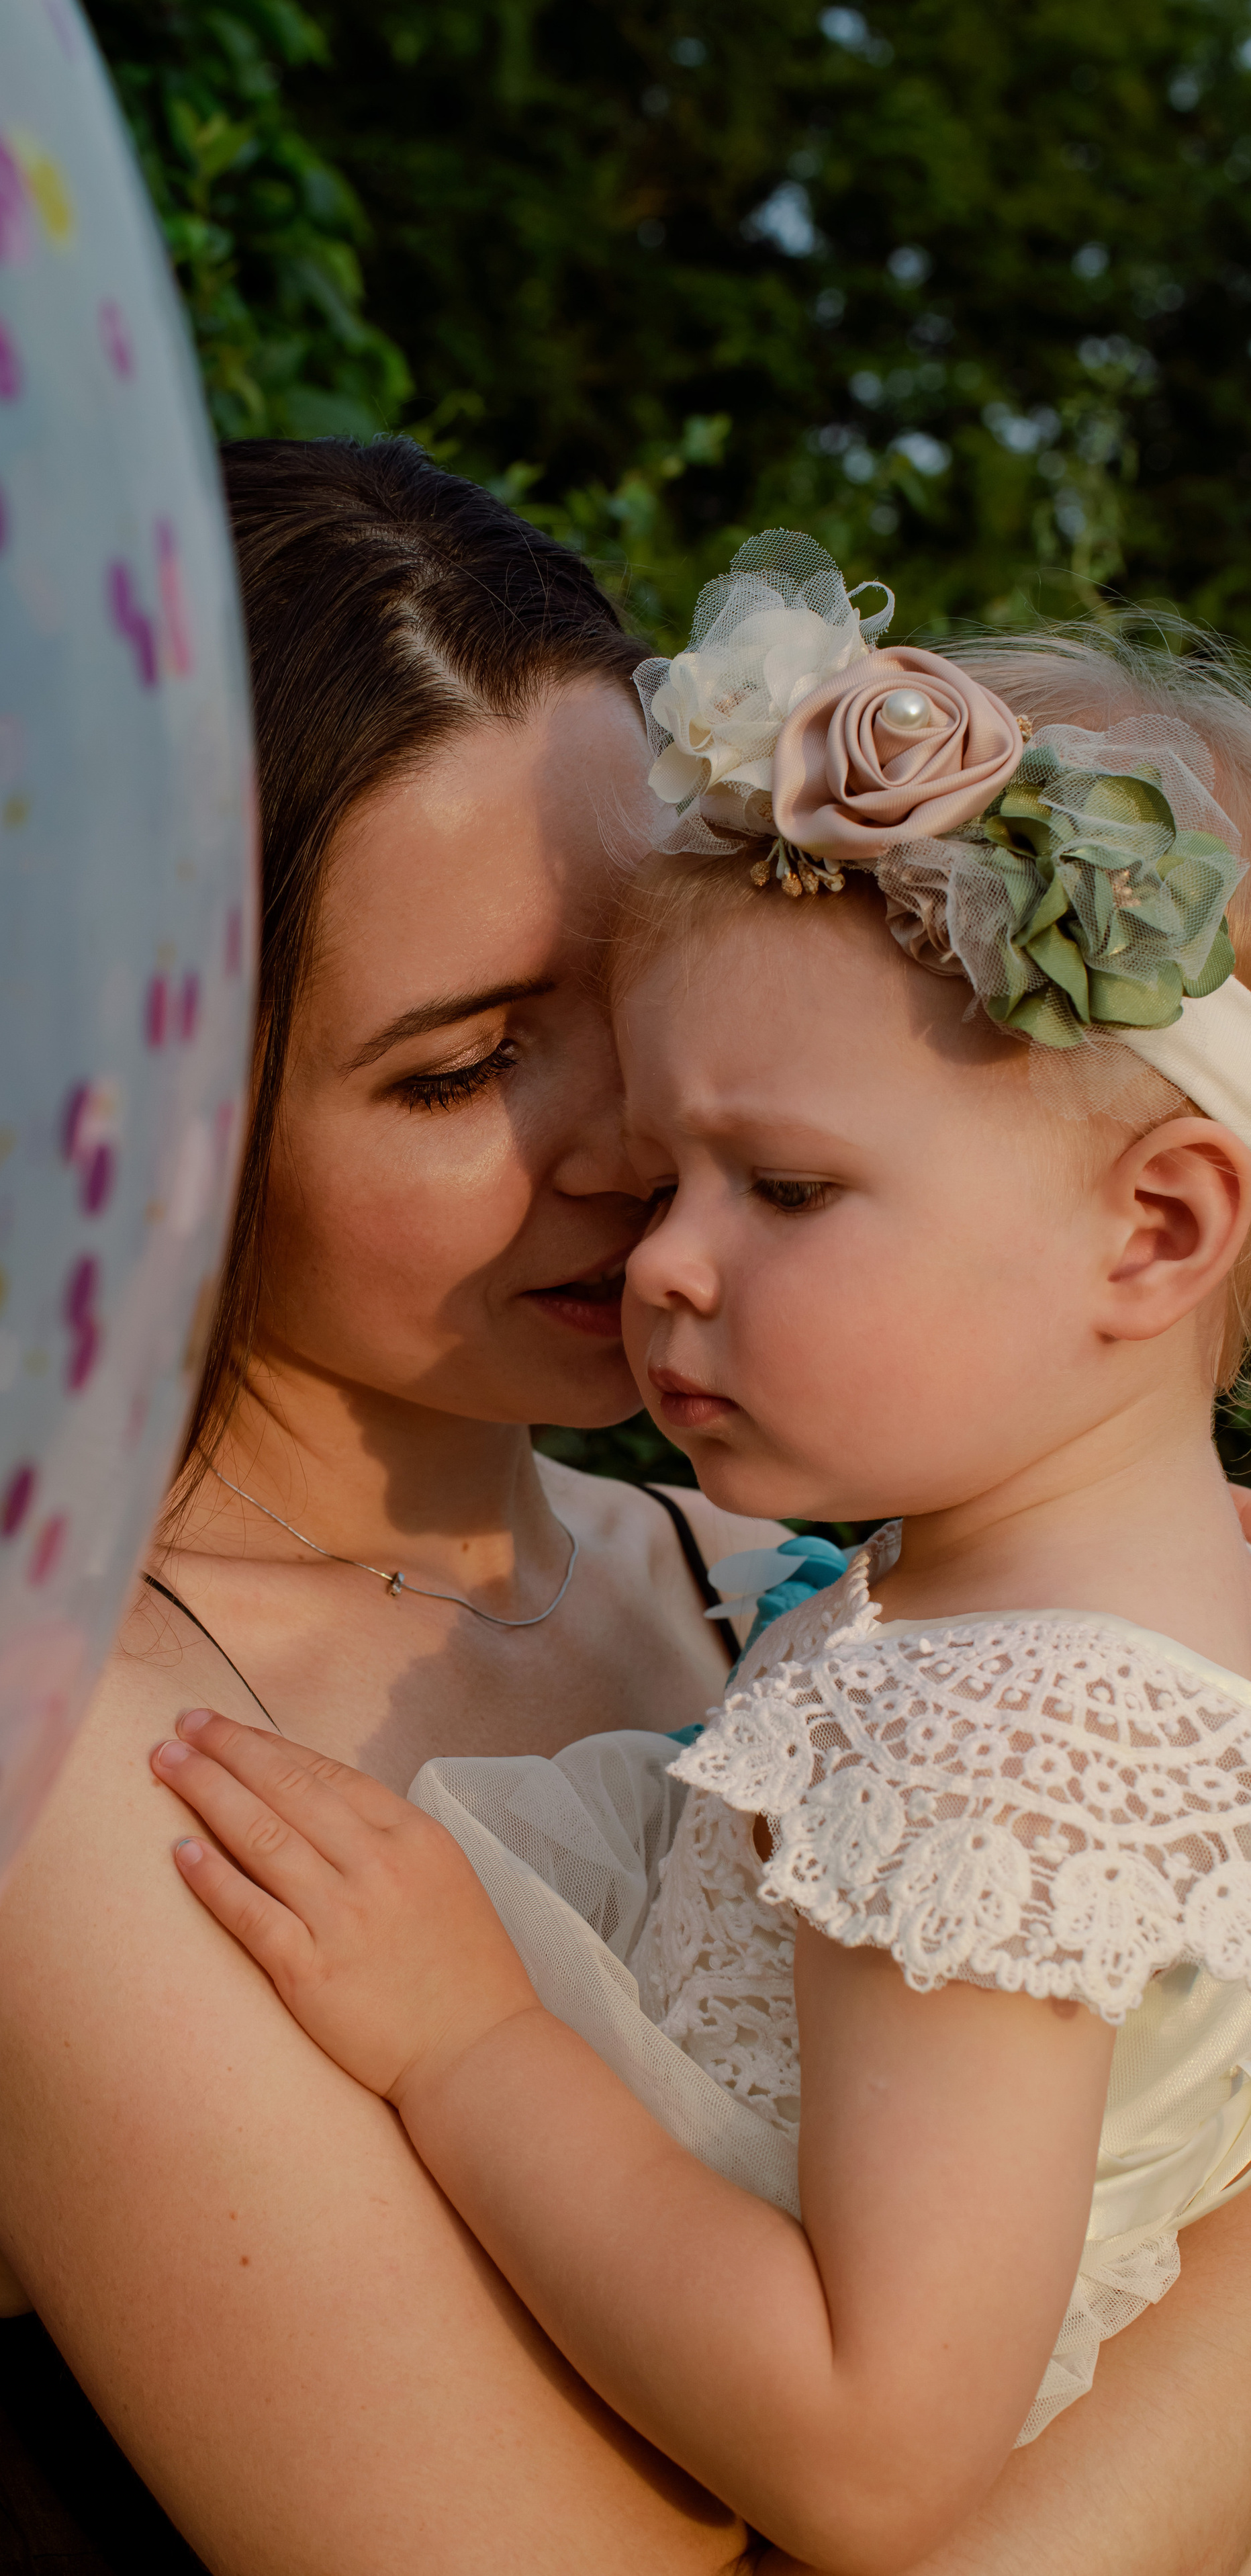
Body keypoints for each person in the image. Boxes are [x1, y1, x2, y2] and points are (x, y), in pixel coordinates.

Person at [0, 447, 1251, 2575]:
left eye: (653, 997)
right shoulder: (41, 1748)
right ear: (140, 1128)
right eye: (462, 1070)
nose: (634, 1147)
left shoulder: (807, 1590)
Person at [148, 533, 1251, 2573]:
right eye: (467, 1065)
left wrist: (473, 2043)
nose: (652, 1237)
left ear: (1162, 1229)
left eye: (788, 1183)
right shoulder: (1111, 1619)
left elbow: (868, 2455)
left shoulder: (986, 1727)